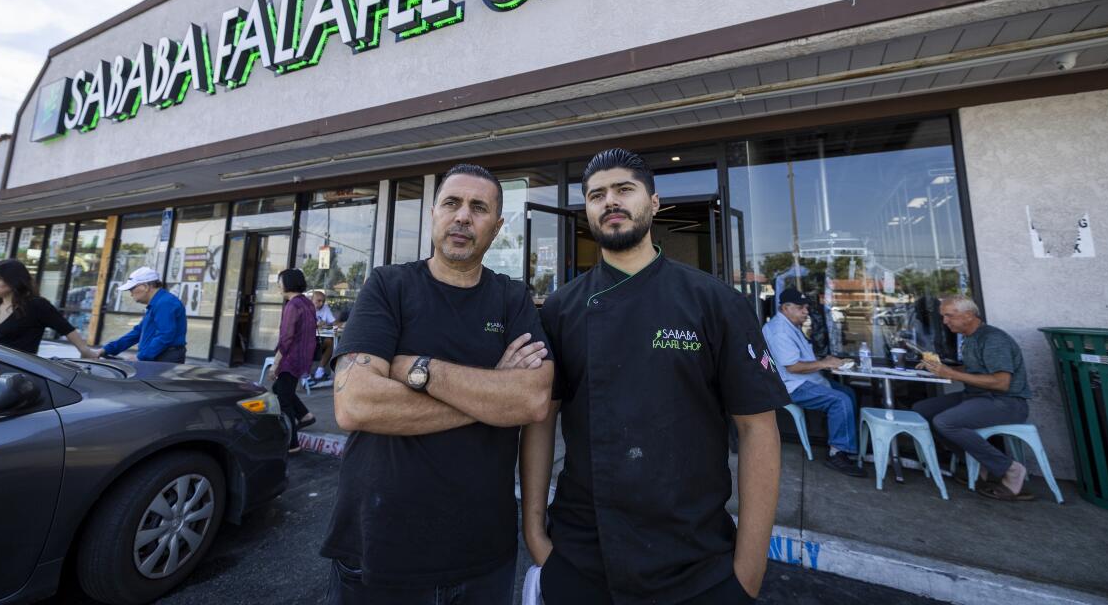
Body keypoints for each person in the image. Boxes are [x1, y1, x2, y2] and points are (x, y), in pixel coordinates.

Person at [522, 149, 789, 604]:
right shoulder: (562, 309)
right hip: (583, 554)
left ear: (655, 202)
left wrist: (749, 568)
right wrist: (534, 531)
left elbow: (757, 429)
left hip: (696, 558)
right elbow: (541, 419)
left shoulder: (714, 302)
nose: (610, 202)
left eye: (624, 190)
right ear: (586, 209)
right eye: (596, 195)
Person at [323, 163, 553, 604]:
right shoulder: (388, 286)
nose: (463, 216)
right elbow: (356, 404)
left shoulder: (511, 298)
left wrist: (419, 370)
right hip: (379, 547)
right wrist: (492, 395)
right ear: (433, 214)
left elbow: (534, 398)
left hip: (482, 553)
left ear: (498, 226)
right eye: (452, 203)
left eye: (479, 207)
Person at [913, 295, 1033, 501]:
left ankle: (1010, 469)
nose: (945, 322)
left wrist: (951, 374)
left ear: (968, 315)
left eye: (949, 316)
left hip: (1006, 402)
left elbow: (1001, 382)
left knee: (945, 422)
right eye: (943, 316)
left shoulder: (993, 339)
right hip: (975, 397)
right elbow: (974, 369)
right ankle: (976, 462)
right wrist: (941, 369)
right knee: (921, 411)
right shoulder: (970, 338)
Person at [763, 288, 866, 477]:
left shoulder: (791, 325)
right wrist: (825, 363)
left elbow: (801, 357)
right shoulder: (779, 331)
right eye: (801, 307)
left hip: (807, 379)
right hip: (792, 385)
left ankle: (842, 439)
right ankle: (838, 453)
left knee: (849, 393)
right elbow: (792, 367)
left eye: (806, 307)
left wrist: (823, 360)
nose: (806, 311)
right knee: (840, 400)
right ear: (785, 308)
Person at [0, 258, 96, 357]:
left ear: (13, 280)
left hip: (18, 370)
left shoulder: (37, 305)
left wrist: (85, 350)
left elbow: (66, 329)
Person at [97, 267, 188, 362]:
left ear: (145, 287)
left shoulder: (165, 303)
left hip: (165, 358)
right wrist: (106, 349)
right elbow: (137, 332)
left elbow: (165, 335)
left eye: (132, 289)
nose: (131, 294)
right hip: (158, 357)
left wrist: (141, 357)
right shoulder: (157, 303)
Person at [271, 269, 317, 454]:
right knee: (281, 390)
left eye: (280, 281)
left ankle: (293, 444)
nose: (278, 285)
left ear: (288, 283)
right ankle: (305, 415)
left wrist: (275, 365)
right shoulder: (307, 303)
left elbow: (286, 339)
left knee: (283, 399)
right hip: (302, 357)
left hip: (290, 359)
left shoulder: (292, 305)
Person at [311, 289, 337, 381]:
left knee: (330, 341)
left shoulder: (325, 308)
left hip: (320, 337)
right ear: (312, 300)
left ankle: (320, 371)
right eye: (318, 300)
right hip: (307, 339)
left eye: (323, 301)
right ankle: (306, 373)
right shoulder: (307, 308)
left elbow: (333, 322)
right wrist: (316, 324)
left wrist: (330, 324)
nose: (321, 303)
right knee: (328, 341)